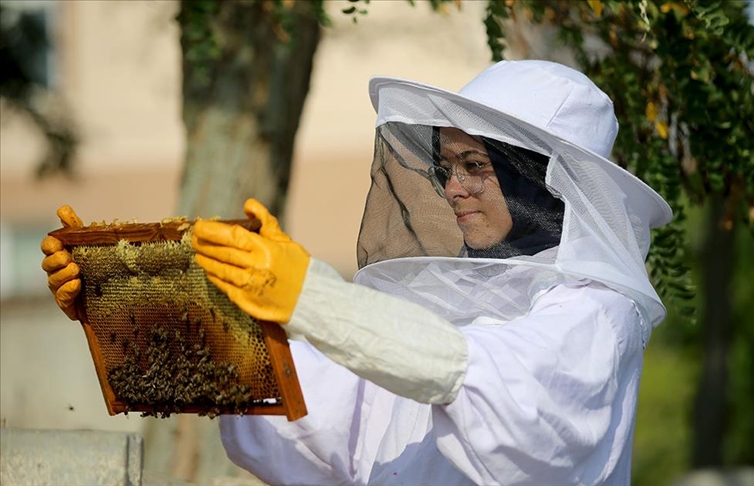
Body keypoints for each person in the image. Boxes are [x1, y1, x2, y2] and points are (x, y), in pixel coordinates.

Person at [41, 60, 672, 485]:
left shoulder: (596, 313)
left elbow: (484, 381)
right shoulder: (443, 311)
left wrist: (312, 298)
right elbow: (326, 414)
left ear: (542, 176)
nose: (453, 188)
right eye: (445, 166)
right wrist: (136, 311)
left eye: (476, 163)